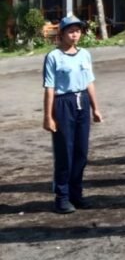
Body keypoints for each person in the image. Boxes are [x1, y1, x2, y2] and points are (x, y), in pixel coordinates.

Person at [42, 14, 103, 213]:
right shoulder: (53, 57)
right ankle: (62, 196)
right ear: (62, 34)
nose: (75, 34)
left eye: (77, 30)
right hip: (63, 104)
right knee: (64, 153)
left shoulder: (85, 54)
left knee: (81, 153)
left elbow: (89, 82)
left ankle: (76, 194)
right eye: (71, 31)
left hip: (82, 102)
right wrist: (48, 116)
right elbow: (50, 88)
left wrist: (95, 108)